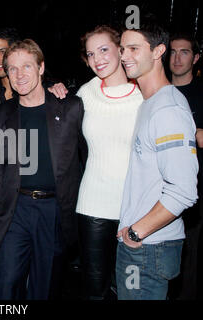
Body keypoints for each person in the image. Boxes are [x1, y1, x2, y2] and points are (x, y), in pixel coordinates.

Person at [0, 39, 87, 299]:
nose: (20, 75)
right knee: (6, 287)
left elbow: (87, 160)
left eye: (27, 66)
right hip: (15, 212)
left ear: (41, 68)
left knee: (45, 288)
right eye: (13, 69)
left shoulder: (71, 108)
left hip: (54, 212)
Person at [116, 18, 198, 300]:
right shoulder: (150, 103)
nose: (124, 56)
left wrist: (136, 234)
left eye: (134, 49)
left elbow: (184, 191)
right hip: (141, 247)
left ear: (158, 51)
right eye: (122, 48)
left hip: (149, 249)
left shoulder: (169, 110)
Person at [75, 25, 143, 300]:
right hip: (92, 207)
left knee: (133, 290)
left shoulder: (144, 94)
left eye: (104, 50)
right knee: (95, 291)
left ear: (120, 50)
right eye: (91, 54)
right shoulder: (85, 93)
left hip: (135, 209)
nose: (97, 59)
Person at [168, 32, 203, 300]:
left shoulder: (201, 93)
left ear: (196, 58)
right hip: (157, 188)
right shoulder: (157, 90)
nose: (177, 58)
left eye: (185, 52)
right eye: (173, 51)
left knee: (188, 255)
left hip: (193, 191)